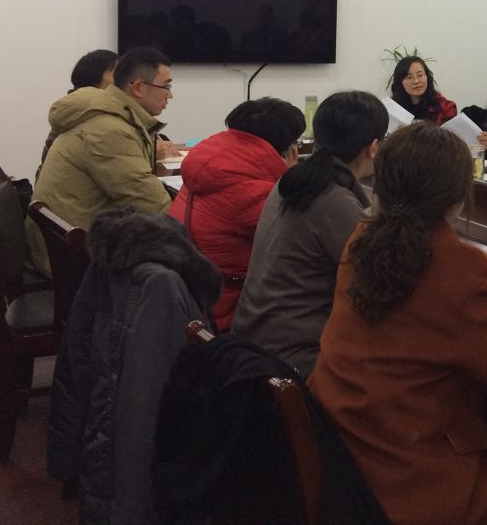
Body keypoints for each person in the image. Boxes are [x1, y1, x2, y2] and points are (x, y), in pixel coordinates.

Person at [307, 123, 487, 525]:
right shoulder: (459, 271)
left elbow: (423, 301)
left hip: (341, 451)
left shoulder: (363, 238)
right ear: (457, 196)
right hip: (410, 479)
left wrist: (481, 279)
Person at [48, 207, 222, 524]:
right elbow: (144, 416)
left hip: (103, 461)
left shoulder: (115, 252)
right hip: (135, 478)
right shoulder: (162, 285)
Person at [233, 91, 388, 377]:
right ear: (374, 147)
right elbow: (381, 279)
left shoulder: (294, 180)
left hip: (255, 339)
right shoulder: (333, 199)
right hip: (293, 357)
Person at [168, 97, 305, 331]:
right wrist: (290, 179)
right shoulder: (253, 192)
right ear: (286, 148)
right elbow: (299, 241)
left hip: (192, 293)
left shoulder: (213, 165)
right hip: (229, 308)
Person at [33, 46, 175, 233]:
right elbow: (154, 206)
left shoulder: (109, 116)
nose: (170, 95)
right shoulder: (110, 131)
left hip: (74, 233)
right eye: (166, 86)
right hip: (79, 244)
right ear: (138, 88)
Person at [38, 49, 120, 174]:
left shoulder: (76, 109)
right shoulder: (86, 112)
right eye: (117, 73)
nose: (124, 80)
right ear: (95, 76)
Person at [388, 55, 457, 124]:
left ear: (427, 77)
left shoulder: (446, 107)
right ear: (400, 82)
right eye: (409, 77)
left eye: (420, 75)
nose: (416, 81)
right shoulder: (391, 109)